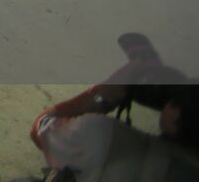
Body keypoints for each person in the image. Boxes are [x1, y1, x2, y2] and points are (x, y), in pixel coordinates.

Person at [31, 33, 199, 181]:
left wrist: (102, 95)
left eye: (173, 100)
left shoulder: (102, 136)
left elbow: (40, 127)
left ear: (175, 116)